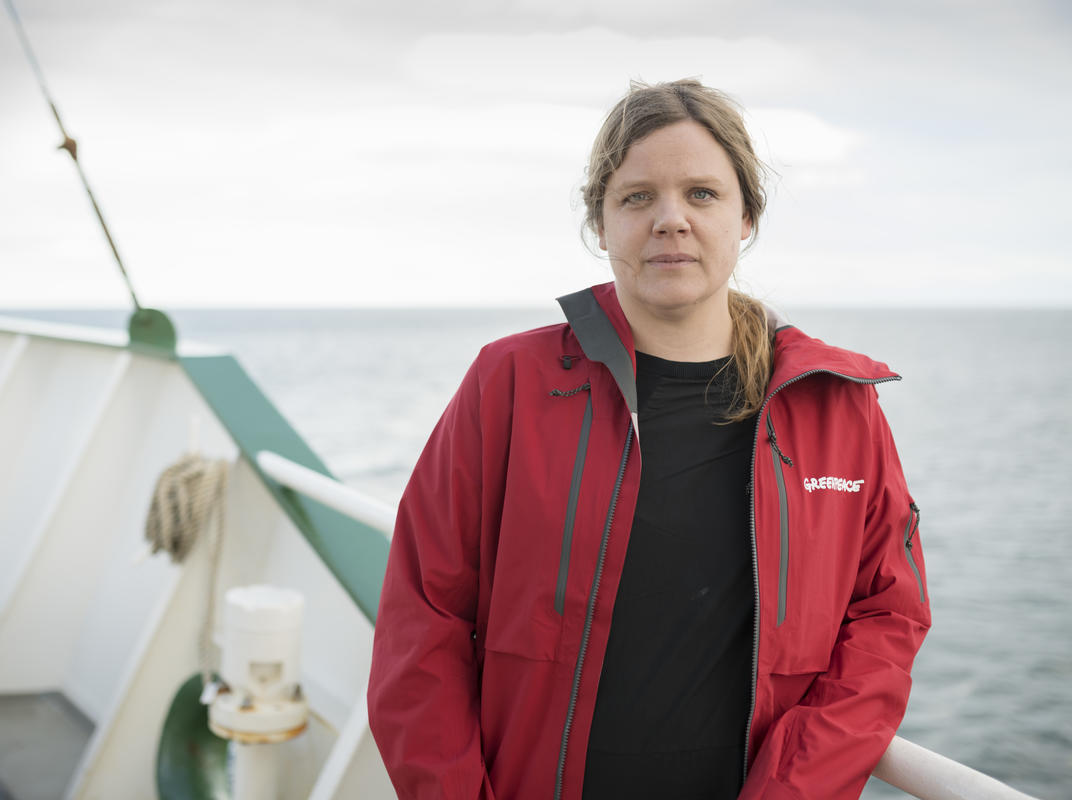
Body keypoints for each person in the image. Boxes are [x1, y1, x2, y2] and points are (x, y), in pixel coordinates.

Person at [367, 78, 930, 800]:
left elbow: (887, 617)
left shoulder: (834, 406)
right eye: (637, 197)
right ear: (600, 222)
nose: (671, 220)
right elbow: (424, 616)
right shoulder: (510, 381)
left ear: (746, 216)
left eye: (702, 194)